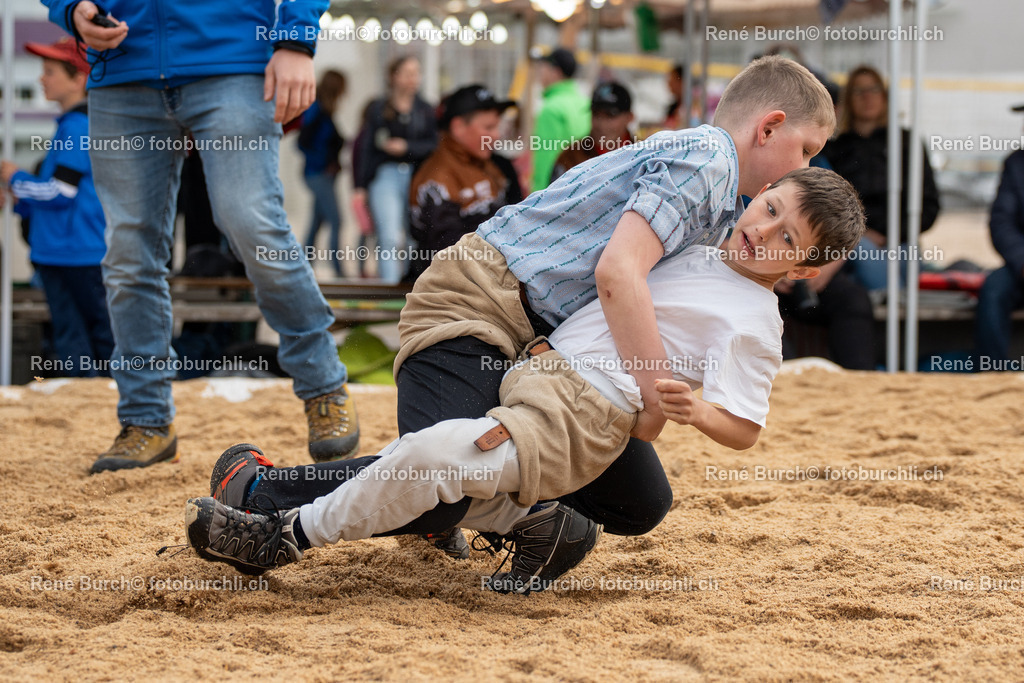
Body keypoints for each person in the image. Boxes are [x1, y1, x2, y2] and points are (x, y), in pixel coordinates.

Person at [189, 56, 835, 565]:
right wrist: (654, 400)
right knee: (442, 493)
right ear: (769, 127)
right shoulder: (711, 162)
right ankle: (260, 490)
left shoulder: (724, 199)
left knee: (638, 498)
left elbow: (634, 287)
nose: (799, 170)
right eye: (805, 151)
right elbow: (617, 274)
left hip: (533, 337)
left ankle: (522, 515)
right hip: (476, 305)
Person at [43, 0, 360, 472]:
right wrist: (70, 9)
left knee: (251, 224)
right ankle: (146, 418)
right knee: (128, 253)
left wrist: (296, 38)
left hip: (231, 61)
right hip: (122, 72)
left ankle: (323, 386)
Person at [0, 36, 114, 378]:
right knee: (77, 339)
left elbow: (60, 192)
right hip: (62, 251)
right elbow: (58, 196)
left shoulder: (78, 126)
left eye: (50, 71)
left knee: (90, 339)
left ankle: (110, 406)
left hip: (77, 253)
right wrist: (19, 200)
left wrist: (15, 177)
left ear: (79, 78)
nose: (41, 79)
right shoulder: (72, 124)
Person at [823, 64, 940, 292]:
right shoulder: (834, 150)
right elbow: (826, 206)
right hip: (853, 239)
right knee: (865, 254)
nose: (867, 97)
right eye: (859, 91)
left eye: (874, 89)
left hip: (902, 238)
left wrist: (893, 234)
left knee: (905, 258)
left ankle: (892, 304)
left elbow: (929, 203)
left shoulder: (907, 143)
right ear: (849, 99)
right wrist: (862, 234)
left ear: (884, 96)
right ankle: (891, 304)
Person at [407, 84, 522, 280]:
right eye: (488, 127)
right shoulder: (436, 175)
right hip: (452, 292)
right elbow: (447, 251)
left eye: (497, 126)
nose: (496, 135)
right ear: (458, 127)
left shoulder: (494, 164)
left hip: (488, 283)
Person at [353, 56, 437, 284]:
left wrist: (407, 147)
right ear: (394, 76)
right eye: (407, 73)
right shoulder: (378, 108)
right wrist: (359, 186)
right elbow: (365, 148)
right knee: (388, 235)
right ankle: (389, 288)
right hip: (385, 175)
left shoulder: (426, 110)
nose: (413, 79)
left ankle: (410, 288)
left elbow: (435, 145)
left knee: (413, 235)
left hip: (416, 176)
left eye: (416, 73)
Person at [975, 103, 1024, 366]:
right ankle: (991, 373)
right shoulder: (1016, 163)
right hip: (1021, 267)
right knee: (994, 290)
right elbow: (1001, 222)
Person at [298, 69, 347, 278]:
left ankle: (302, 269)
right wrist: (325, 162)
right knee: (336, 220)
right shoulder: (316, 110)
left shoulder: (324, 111)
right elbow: (303, 143)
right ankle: (338, 270)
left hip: (322, 174)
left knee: (316, 223)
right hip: (317, 174)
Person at [528, 47, 591, 193]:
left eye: (543, 67)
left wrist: (537, 197)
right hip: (582, 187)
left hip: (558, 192)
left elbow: (546, 158)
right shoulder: (584, 102)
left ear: (555, 71)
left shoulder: (551, 109)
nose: (540, 73)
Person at [550, 81, 635, 183]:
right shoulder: (570, 156)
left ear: (629, 117)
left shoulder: (645, 154)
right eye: (596, 114)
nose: (601, 124)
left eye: (610, 115)